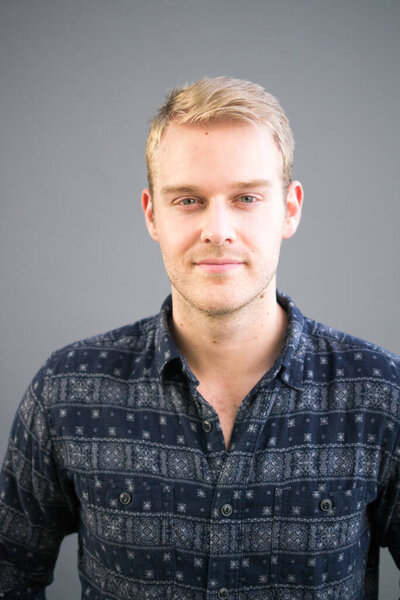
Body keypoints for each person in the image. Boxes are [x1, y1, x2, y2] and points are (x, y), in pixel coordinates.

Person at [0, 76, 399, 600]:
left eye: (247, 197)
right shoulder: (68, 390)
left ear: (290, 209)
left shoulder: (379, 394)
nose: (217, 229)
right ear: (152, 214)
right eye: (188, 199)